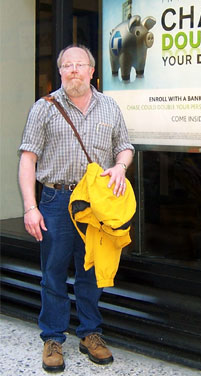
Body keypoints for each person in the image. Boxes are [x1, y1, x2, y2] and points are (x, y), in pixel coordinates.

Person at [18, 44, 134, 372]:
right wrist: (30, 207)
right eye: (67, 65)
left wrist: (121, 167)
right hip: (56, 201)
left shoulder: (110, 107)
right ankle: (53, 337)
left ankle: (90, 333)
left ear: (92, 71)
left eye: (79, 65)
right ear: (60, 72)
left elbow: (124, 147)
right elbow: (28, 159)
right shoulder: (44, 108)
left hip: (95, 205)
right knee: (53, 272)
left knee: (91, 271)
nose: (73, 71)